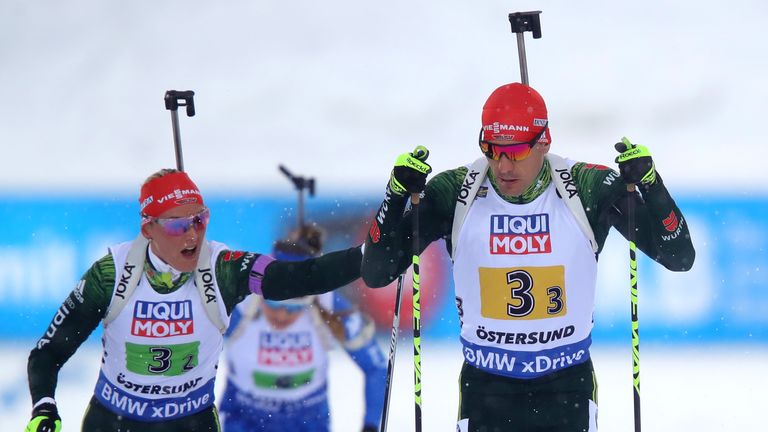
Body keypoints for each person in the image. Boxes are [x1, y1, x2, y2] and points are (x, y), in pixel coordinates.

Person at [361, 83, 695, 431]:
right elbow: (377, 272)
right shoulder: (456, 189)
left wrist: (651, 184)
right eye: (491, 150)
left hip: (566, 385)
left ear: (544, 142)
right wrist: (396, 195)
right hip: (487, 387)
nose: (503, 165)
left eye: (516, 152)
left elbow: (679, 256)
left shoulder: (586, 186)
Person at [25, 169, 363, 432]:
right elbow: (48, 352)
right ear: (148, 229)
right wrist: (44, 405)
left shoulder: (222, 267)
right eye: (177, 226)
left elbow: (299, 278)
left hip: (190, 422)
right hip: (116, 422)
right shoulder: (111, 274)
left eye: (200, 220)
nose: (192, 235)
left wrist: (366, 255)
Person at [218, 225, 386, 432]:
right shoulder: (241, 304)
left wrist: (370, 426)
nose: (281, 315)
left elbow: (376, 368)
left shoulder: (329, 303)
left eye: (294, 308)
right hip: (245, 420)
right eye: (273, 303)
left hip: (307, 422)